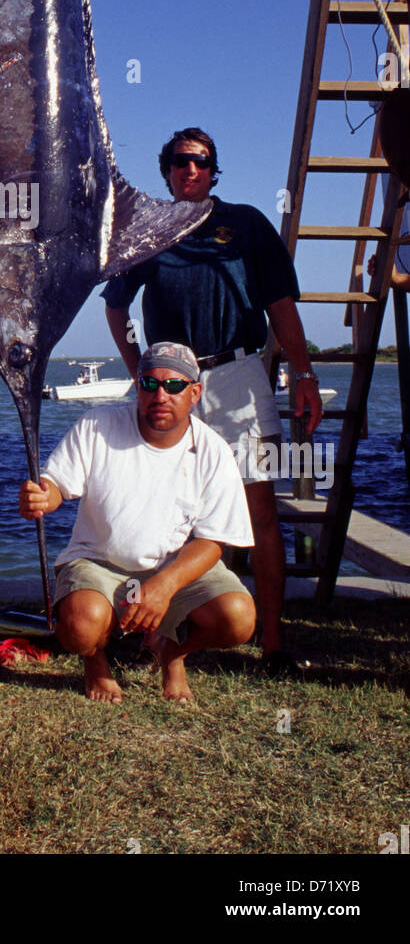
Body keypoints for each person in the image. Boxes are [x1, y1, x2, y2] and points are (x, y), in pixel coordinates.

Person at [102, 126, 322, 675]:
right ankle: (153, 637)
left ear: (213, 168)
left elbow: (280, 306)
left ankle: (273, 644)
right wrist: (141, 374)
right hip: (172, 384)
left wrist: (304, 374)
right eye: (179, 162)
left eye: (200, 161)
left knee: (259, 509)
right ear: (167, 171)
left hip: (239, 375)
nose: (189, 170)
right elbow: (115, 309)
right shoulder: (149, 229)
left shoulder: (245, 223)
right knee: (159, 511)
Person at [19, 343, 256, 704]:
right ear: (137, 386)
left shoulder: (215, 451)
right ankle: (95, 663)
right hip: (97, 564)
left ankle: (172, 651)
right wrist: (42, 497)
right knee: (81, 628)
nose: (160, 395)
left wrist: (163, 586)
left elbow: (214, 541)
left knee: (238, 618)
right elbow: (57, 485)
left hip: (172, 568)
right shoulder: (96, 425)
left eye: (174, 386)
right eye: (149, 383)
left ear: (195, 393)